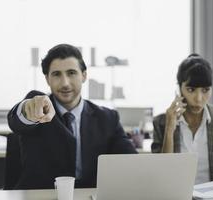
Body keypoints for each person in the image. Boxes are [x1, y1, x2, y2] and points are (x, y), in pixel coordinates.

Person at [7, 44, 137, 189]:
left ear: (84, 75)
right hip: (42, 196)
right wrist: (28, 109)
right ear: (47, 79)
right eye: (56, 74)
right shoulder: (39, 107)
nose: (65, 83)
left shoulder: (108, 118)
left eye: (71, 73)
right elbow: (16, 120)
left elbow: (132, 162)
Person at [152, 53, 213, 184]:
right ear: (180, 88)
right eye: (191, 90)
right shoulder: (162, 123)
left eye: (205, 90)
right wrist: (169, 129)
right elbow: (161, 173)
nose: (198, 98)